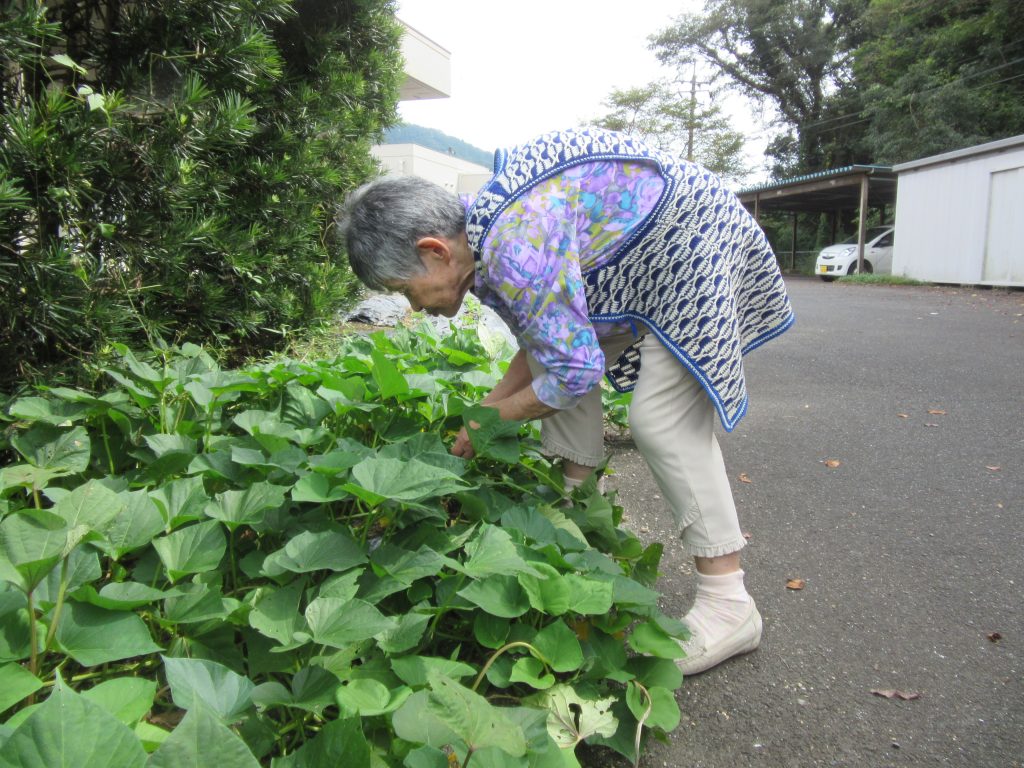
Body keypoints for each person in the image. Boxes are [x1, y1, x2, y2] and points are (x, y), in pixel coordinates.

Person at [337, 127, 794, 674]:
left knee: (660, 421)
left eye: (404, 288)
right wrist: (482, 415)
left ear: (433, 251)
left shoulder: (514, 239)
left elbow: (574, 372)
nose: (412, 305)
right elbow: (544, 345)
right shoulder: (481, 236)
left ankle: (728, 602)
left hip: (691, 242)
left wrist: (491, 420)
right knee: (559, 362)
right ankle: (576, 522)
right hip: (642, 246)